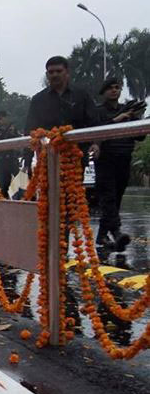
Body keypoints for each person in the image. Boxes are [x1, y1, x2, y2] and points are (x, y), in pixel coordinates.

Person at [94, 77, 146, 250]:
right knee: (108, 197)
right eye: (110, 88)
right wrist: (118, 119)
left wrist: (136, 119)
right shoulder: (99, 111)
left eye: (117, 87)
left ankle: (102, 236)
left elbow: (140, 136)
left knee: (116, 199)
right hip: (106, 158)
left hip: (124, 157)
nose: (114, 90)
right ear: (103, 92)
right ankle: (116, 232)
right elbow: (96, 131)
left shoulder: (128, 111)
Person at [24, 56, 100, 170]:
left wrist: (96, 144)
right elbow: (30, 131)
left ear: (67, 72)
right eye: (51, 72)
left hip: (76, 156)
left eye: (59, 71)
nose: (55, 75)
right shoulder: (38, 100)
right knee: (49, 188)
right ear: (47, 75)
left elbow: (94, 122)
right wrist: (27, 162)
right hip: (48, 158)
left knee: (74, 188)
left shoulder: (81, 96)